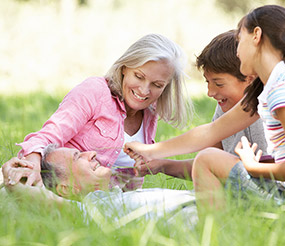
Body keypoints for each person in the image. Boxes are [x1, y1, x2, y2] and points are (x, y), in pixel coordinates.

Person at [125, 5, 285, 223]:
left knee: (208, 159)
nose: (237, 52)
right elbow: (211, 132)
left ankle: (215, 234)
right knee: (210, 156)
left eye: (239, 41)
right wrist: (150, 150)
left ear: (256, 36)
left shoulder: (284, 90)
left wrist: (253, 168)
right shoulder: (273, 87)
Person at [3, 33, 193, 191]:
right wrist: (32, 166)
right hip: (66, 192)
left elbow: (128, 182)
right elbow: (47, 137)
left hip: (109, 203)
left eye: (157, 85)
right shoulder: (96, 91)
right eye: (139, 76)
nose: (144, 90)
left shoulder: (150, 114)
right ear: (125, 68)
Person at [134, 30, 270, 179]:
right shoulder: (224, 108)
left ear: (250, 78)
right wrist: (162, 165)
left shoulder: (266, 104)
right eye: (207, 82)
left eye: (218, 84)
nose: (210, 92)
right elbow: (207, 166)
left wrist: (151, 150)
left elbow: (207, 138)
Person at [2, 145, 197, 228]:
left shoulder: (114, 198)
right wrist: (13, 182)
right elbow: (43, 200)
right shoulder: (94, 209)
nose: (92, 153)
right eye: (78, 157)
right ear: (67, 190)